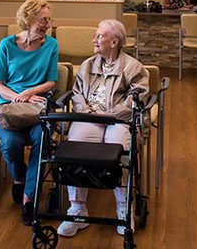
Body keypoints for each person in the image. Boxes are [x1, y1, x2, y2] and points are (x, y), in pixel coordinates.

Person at [57, 19, 149, 237]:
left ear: (114, 41)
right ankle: (77, 209)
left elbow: (138, 98)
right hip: (89, 117)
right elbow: (77, 94)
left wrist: (111, 115)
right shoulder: (88, 65)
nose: (94, 39)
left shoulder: (133, 67)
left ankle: (123, 209)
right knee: (76, 149)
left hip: (118, 119)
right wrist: (88, 114)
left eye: (99, 36)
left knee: (120, 152)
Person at [0, 0, 59, 225]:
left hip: (36, 108)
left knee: (42, 142)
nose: (48, 24)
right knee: (12, 145)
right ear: (28, 19)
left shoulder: (51, 45)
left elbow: (51, 81)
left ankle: (29, 198)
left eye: (49, 19)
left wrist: (30, 93)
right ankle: (20, 178)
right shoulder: (7, 45)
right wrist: (17, 96)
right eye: (43, 20)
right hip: (9, 107)